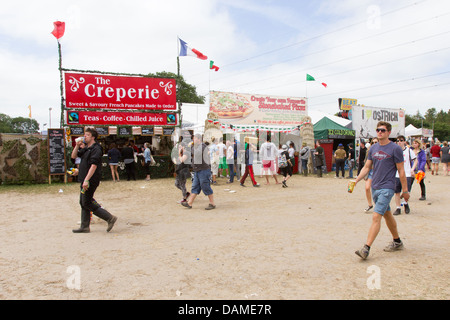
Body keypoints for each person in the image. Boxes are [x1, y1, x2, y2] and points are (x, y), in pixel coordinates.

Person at [353, 121, 409, 260]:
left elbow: (401, 170)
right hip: (375, 187)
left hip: (387, 187)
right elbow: (367, 167)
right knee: (387, 214)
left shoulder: (395, 148)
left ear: (389, 132)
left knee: (376, 216)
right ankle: (397, 242)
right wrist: (356, 180)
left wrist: (405, 190)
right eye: (378, 130)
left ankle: (366, 248)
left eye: (383, 130)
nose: (379, 132)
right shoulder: (373, 148)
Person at [71, 127, 118, 233]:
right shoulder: (87, 148)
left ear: (93, 137)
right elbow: (74, 156)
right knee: (83, 202)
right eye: (85, 134)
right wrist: (77, 146)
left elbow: (94, 165)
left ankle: (109, 218)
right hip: (84, 179)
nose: (84, 136)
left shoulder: (96, 148)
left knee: (86, 202)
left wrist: (87, 180)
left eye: (87, 135)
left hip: (90, 180)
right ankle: (85, 226)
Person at [181, 134, 216, 210]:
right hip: (197, 170)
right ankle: (189, 203)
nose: (193, 140)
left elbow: (197, 153)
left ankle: (212, 203)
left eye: (195, 138)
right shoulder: (196, 146)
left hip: (204, 170)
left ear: (199, 139)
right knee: (195, 187)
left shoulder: (202, 146)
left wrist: (189, 147)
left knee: (206, 187)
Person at [393, 135, 417, 215]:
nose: (399, 142)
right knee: (397, 192)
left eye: (401, 140)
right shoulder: (395, 151)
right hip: (397, 174)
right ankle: (398, 207)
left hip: (407, 173)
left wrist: (412, 169)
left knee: (406, 191)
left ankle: (405, 203)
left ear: (404, 142)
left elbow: (415, 160)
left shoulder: (409, 151)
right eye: (398, 140)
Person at [364, 138, 378, 212]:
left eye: (376, 142)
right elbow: (365, 162)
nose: (374, 144)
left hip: (378, 172)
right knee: (367, 188)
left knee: (376, 189)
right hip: (370, 171)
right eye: (373, 142)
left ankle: (378, 204)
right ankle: (370, 204)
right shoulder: (369, 151)